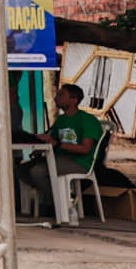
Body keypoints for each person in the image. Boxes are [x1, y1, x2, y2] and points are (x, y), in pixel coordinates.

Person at [18, 83, 103, 215]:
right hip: (59, 160)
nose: (56, 98)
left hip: (80, 163)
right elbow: (51, 140)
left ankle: (53, 204)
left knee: (37, 171)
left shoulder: (88, 120)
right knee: (22, 170)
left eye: (61, 95)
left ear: (74, 100)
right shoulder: (61, 120)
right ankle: (55, 199)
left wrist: (57, 144)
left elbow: (85, 149)